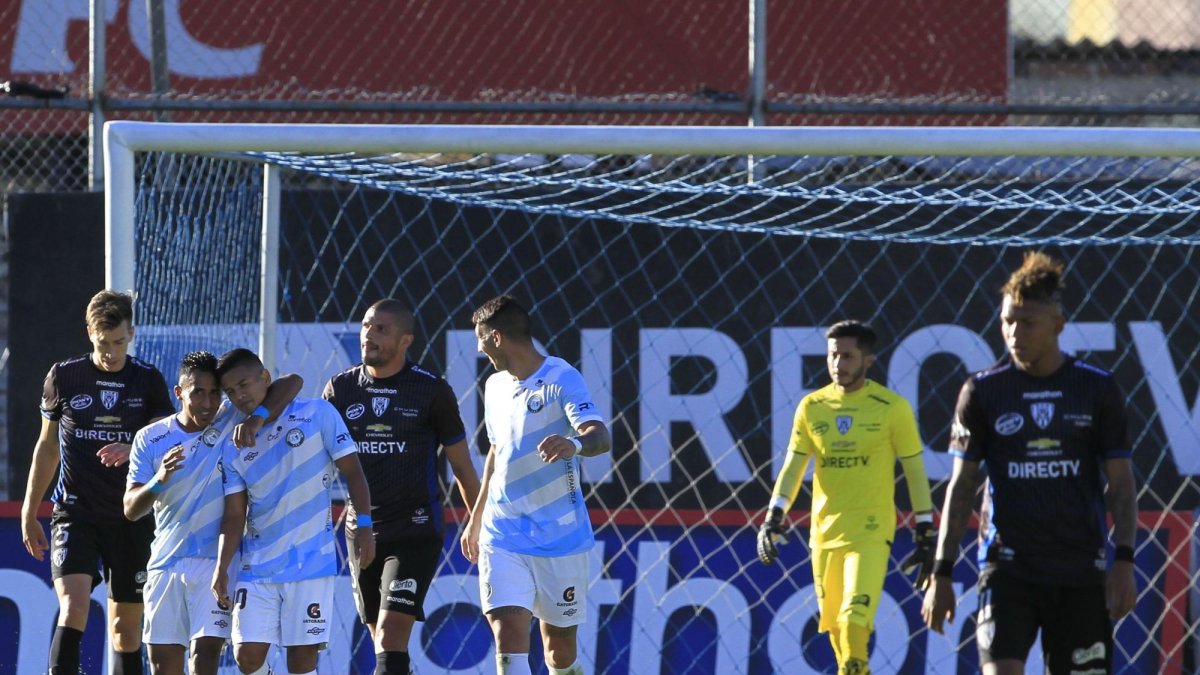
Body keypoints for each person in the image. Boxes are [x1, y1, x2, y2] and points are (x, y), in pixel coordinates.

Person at [922, 252, 1137, 674]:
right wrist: (941, 572)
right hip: (1007, 569)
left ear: (1057, 326)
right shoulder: (982, 391)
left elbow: (1122, 483)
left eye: (1027, 323)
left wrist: (1124, 561)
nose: (1014, 333)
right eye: (1007, 321)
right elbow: (962, 486)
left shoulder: (1095, 388)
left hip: (1079, 570)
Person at [757, 320, 934, 675]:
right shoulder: (812, 407)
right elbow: (792, 469)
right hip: (824, 534)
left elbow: (915, 471)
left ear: (868, 360)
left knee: (854, 621)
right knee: (837, 632)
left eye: (848, 356)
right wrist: (773, 516)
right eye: (833, 356)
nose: (839, 364)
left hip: (869, 531)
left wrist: (925, 528)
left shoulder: (890, 407)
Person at [21, 290, 176, 675]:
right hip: (76, 512)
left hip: (131, 516)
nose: (111, 352)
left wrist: (133, 445)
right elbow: (47, 445)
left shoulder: (148, 380)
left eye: (119, 342)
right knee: (74, 607)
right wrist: (29, 510)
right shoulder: (64, 376)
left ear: (132, 334)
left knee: (125, 629)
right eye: (103, 343)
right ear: (89, 333)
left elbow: (169, 441)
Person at [323, 299, 481, 675]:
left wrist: (481, 524)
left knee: (392, 636)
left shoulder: (431, 391)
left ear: (406, 339)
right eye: (365, 326)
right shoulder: (340, 389)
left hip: (415, 529)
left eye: (381, 329)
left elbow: (462, 467)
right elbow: (318, 460)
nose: (368, 336)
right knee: (381, 639)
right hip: (360, 531)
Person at [123, 351, 303, 675]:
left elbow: (292, 382)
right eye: (198, 392)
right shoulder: (150, 439)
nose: (208, 402)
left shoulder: (229, 418)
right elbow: (131, 509)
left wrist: (257, 417)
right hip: (166, 562)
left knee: (204, 655)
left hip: (217, 560)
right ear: (179, 393)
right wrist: (159, 480)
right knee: (164, 666)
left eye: (215, 392)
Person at [461, 295, 611, 675]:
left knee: (559, 651)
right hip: (503, 532)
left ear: (496, 336)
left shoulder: (562, 378)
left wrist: (573, 444)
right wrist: (476, 518)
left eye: (480, 338)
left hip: (560, 537)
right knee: (508, 636)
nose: (479, 348)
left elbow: (600, 436)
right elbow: (496, 452)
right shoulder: (494, 386)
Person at [209, 348, 376, 675]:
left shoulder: (317, 413)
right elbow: (234, 516)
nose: (239, 395)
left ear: (265, 378)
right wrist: (221, 567)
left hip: (310, 563)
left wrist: (366, 525)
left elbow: (354, 474)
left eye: (244, 384)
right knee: (247, 658)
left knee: (301, 662)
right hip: (258, 566)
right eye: (230, 391)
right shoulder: (233, 442)